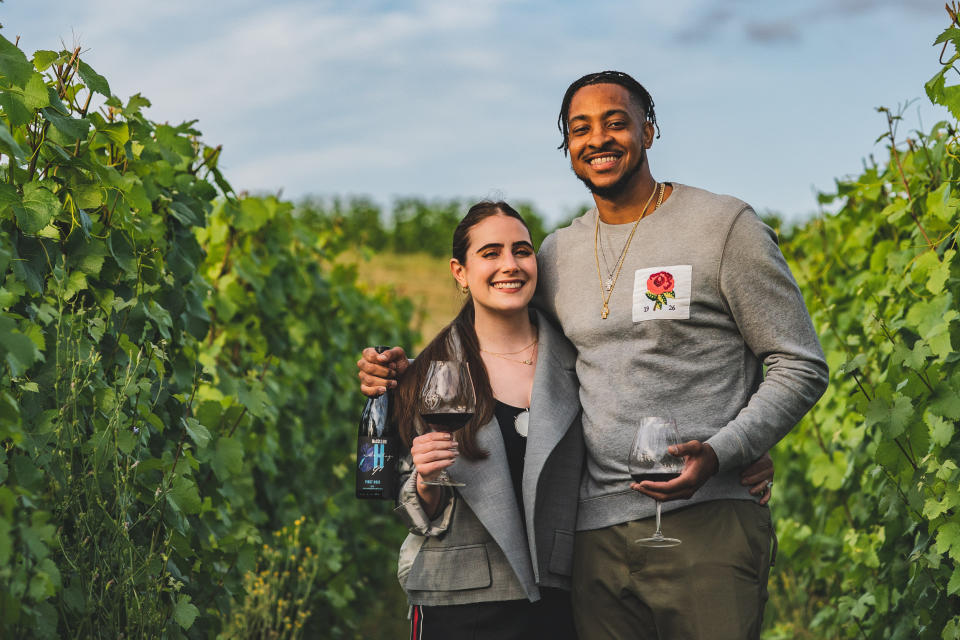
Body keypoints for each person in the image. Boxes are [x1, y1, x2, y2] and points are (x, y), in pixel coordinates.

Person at [361, 70, 816, 640]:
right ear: (568, 147)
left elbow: (798, 363)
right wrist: (403, 373)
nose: (598, 138)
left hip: (705, 519)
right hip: (590, 539)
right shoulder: (558, 254)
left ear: (649, 131)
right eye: (580, 129)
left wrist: (730, 451)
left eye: (616, 122)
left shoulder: (723, 227)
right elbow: (499, 331)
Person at [389, 201, 582, 640]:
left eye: (522, 250)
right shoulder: (426, 376)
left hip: (562, 596)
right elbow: (410, 510)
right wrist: (425, 479)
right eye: (490, 253)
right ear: (460, 271)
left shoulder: (579, 362)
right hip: (459, 601)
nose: (509, 265)